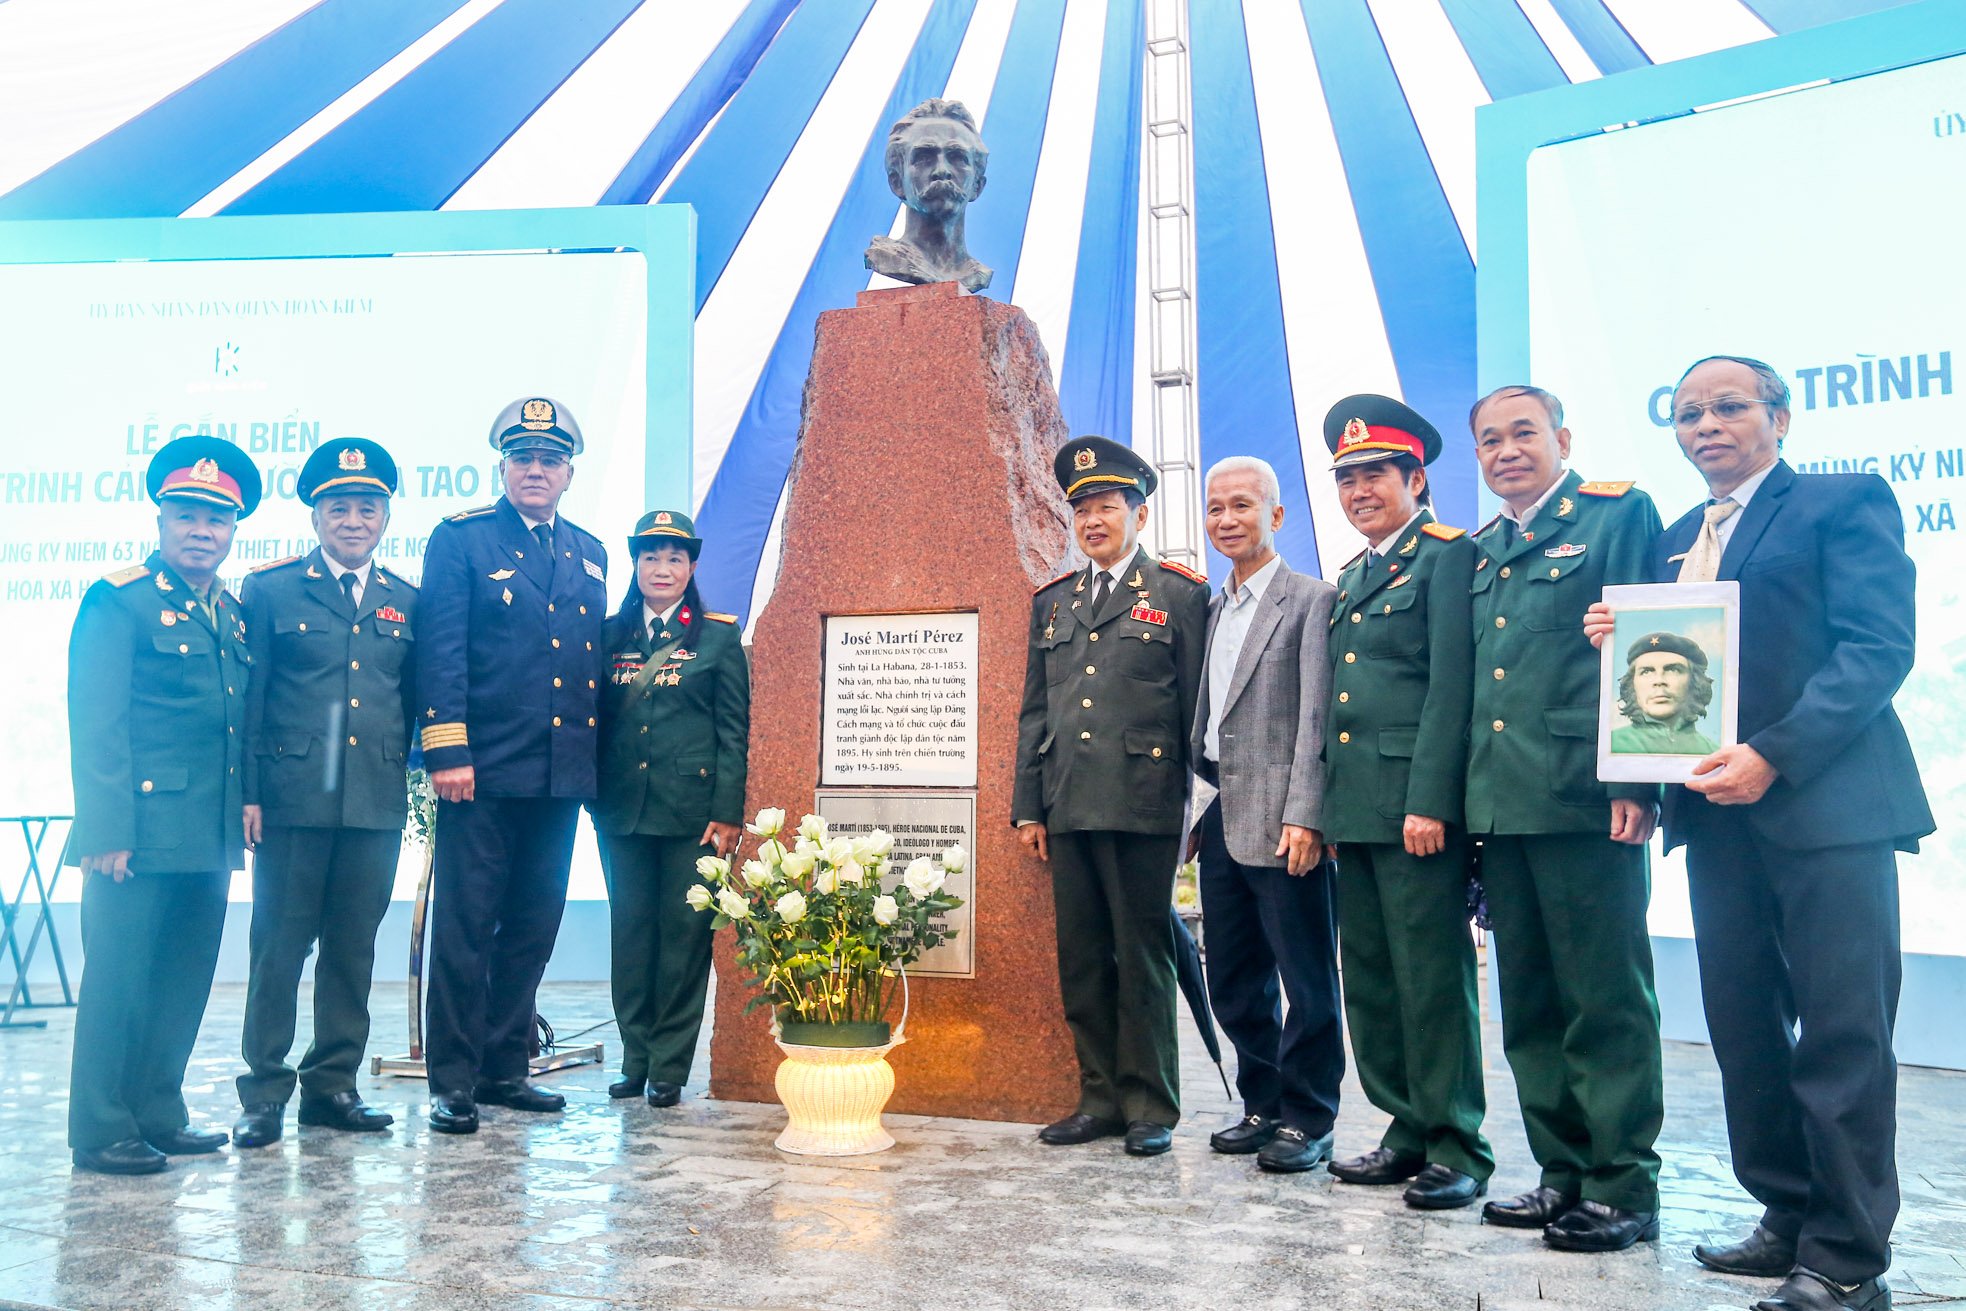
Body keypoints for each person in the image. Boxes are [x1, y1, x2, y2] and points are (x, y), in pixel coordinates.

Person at [1588, 356, 1930, 1311]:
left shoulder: (1841, 500)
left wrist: (1774, 753)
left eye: (1729, 406)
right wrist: (1617, 655)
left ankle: (1847, 1259)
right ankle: (1785, 1214)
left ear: (1779, 416)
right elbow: (1667, 681)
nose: (1706, 425)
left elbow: (1877, 649)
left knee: (1843, 1032)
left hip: (1829, 810)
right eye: (1689, 413)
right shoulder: (1667, 542)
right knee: (1745, 1031)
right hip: (1717, 816)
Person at [1464, 384, 1666, 1252]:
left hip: (1587, 797)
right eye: (1489, 440)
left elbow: (1657, 644)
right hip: (1504, 805)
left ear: (1562, 437)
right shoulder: (1480, 549)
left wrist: (1638, 780)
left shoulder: (1618, 515)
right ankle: (1562, 1171)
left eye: (1522, 433)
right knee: (1535, 1002)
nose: (1506, 451)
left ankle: (1623, 1184)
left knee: (1605, 999)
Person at [64, 436, 261, 1174]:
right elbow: (97, 722)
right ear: (161, 519)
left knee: (181, 979)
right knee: (118, 979)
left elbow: (234, 727)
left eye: (216, 519)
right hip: (136, 833)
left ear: (233, 529)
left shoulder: (231, 614)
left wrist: (242, 809)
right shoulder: (119, 601)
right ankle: (99, 1125)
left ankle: (157, 1109)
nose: (201, 530)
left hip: (206, 834)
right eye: (187, 515)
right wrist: (107, 829)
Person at [1317, 395, 1492, 1209]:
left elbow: (1450, 689)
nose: (1358, 491)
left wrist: (1430, 801)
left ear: (1416, 478)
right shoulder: (1353, 573)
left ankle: (1455, 1140)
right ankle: (1405, 1128)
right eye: (1347, 478)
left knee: (1431, 978)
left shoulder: (1446, 556)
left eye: (1374, 475)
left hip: (1415, 813)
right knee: (1376, 980)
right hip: (1358, 809)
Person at [418, 397, 609, 1135]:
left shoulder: (588, 550)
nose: (536, 469)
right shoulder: (462, 539)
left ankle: (505, 1066)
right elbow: (442, 650)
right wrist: (448, 749)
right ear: (502, 465)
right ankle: (454, 1080)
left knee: (532, 926)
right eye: (523, 457)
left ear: (568, 472)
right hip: (482, 772)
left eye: (550, 459)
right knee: (467, 928)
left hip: (558, 777)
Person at [1013, 436, 1208, 1157]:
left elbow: (1197, 713)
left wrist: (1193, 812)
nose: (1093, 520)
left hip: (1144, 803)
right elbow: (1035, 711)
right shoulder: (1054, 603)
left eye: (1107, 506)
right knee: (1084, 956)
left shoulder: (1181, 595)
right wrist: (1028, 806)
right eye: (1083, 509)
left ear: (1140, 514)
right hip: (1067, 804)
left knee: (1144, 954)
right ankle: (1098, 1096)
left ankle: (1150, 1102)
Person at [232, 438, 416, 1147]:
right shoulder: (271, 588)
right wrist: (249, 791)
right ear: (316, 516)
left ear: (384, 517)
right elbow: (251, 699)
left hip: (372, 799)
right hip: (293, 799)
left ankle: (333, 1084)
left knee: (352, 948)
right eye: (338, 507)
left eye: (366, 507)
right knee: (279, 948)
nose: (352, 519)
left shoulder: (407, 598)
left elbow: (413, 697)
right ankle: (265, 1092)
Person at [1185, 455, 1342, 1174]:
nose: (1226, 520)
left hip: (1285, 821)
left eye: (1241, 506)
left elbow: (1316, 716)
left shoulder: (1312, 599)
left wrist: (1306, 815)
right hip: (1220, 811)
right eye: (1215, 508)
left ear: (1276, 515)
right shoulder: (1211, 608)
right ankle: (1262, 1102)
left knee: (1305, 979)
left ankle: (1308, 1118)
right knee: (1236, 978)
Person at [593, 509, 748, 1109]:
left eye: (675, 558)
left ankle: (669, 1066)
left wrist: (729, 810)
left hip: (694, 817)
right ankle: (635, 1058)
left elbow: (733, 729)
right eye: (652, 557)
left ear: (692, 567)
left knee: (684, 938)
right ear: (636, 564)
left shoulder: (715, 636)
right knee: (631, 937)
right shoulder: (608, 635)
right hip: (622, 812)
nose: (663, 568)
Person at [864, 97, 992, 292]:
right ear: (897, 182)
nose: (942, 170)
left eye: (957, 157)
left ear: (977, 185)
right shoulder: (887, 257)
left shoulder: (978, 273)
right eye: (924, 157)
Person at [1609, 633, 1717, 756]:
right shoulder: (1610, 746)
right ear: (1632, 683)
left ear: (1695, 681)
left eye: (1673, 670)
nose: (1659, 680)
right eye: (1646, 672)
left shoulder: (1713, 753)